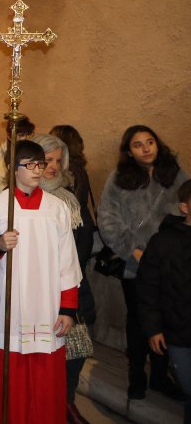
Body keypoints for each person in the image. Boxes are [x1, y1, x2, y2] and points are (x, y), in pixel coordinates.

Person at [0, 139, 82, 423]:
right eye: (29, 164)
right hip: (8, 302)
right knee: (8, 373)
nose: (37, 170)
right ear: (13, 168)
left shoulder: (57, 208)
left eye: (40, 164)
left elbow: (68, 261)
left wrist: (68, 307)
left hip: (46, 303)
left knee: (43, 374)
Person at [98, 125, 188, 400]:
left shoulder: (175, 172)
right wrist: (132, 251)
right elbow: (108, 218)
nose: (146, 148)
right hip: (135, 262)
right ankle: (137, 375)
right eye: (138, 144)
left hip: (170, 263)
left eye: (150, 142)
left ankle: (160, 376)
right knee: (138, 322)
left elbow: (185, 210)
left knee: (167, 319)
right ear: (129, 150)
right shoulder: (119, 177)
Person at [32, 134, 96, 423]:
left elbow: (84, 242)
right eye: (48, 159)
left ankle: (65, 403)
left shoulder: (69, 198)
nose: (54, 166)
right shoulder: (21, 198)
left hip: (72, 286)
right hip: (38, 290)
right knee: (41, 355)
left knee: (75, 351)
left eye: (59, 160)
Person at [138, 179, 191, 423]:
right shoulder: (164, 242)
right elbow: (148, 288)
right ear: (184, 207)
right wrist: (154, 328)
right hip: (179, 333)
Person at [0, 116, 35, 193]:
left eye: (28, 135)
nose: (26, 138)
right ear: (9, 136)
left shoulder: (35, 156)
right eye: (21, 135)